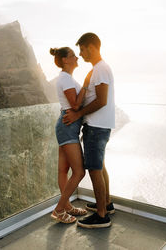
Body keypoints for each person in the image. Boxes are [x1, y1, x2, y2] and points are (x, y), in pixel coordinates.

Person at [63, 33, 115, 228]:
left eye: (82, 49)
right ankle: (106, 204)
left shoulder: (100, 69)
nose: (80, 54)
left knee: (94, 169)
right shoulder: (99, 69)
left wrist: (78, 114)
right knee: (99, 166)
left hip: (96, 126)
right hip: (102, 125)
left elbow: (101, 100)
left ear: (91, 47)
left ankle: (101, 216)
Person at [50, 46, 91, 223]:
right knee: (79, 172)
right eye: (73, 56)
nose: (77, 58)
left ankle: (66, 207)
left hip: (67, 125)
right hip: (68, 126)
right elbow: (75, 105)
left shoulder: (66, 78)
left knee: (63, 170)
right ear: (65, 60)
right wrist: (86, 85)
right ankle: (59, 210)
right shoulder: (65, 79)